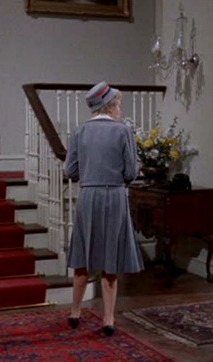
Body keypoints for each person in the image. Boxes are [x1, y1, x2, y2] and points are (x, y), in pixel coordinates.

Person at [64, 81, 144, 337]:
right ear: (110, 106)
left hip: (88, 196)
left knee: (83, 257)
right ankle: (108, 319)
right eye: (118, 104)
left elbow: (69, 171)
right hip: (115, 196)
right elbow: (131, 171)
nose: (120, 109)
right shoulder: (123, 131)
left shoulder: (80, 132)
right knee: (110, 260)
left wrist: (90, 175)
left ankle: (75, 311)